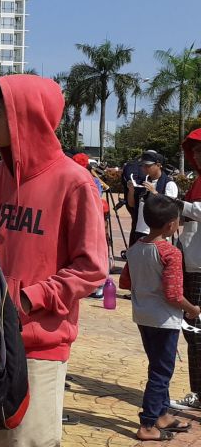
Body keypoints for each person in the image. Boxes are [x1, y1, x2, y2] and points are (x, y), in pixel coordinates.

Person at [0, 76, 108, 447]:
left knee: (28, 442)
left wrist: (29, 299)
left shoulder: (74, 182)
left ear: (25, 117)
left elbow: (92, 268)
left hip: (39, 345)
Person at [119, 194, 200, 441]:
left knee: (157, 366)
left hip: (142, 316)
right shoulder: (171, 253)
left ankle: (162, 414)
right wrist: (192, 309)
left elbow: (125, 282)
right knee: (161, 372)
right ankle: (147, 424)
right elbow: (174, 294)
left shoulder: (134, 249)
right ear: (171, 225)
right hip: (164, 320)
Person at [173, 129, 201, 412]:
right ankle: (198, 391)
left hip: (199, 266)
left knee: (196, 330)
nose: (196, 155)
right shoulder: (197, 182)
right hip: (191, 263)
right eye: (194, 150)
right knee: (193, 332)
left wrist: (181, 205)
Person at [131, 151, 178, 245]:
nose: (144, 168)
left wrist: (154, 192)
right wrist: (131, 190)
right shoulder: (143, 182)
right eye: (142, 165)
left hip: (159, 235)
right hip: (140, 229)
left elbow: (170, 209)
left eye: (147, 166)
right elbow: (132, 204)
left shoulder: (169, 184)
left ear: (158, 165)